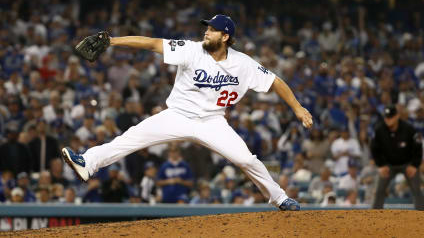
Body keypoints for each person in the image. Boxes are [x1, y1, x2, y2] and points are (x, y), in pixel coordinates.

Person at [62, 15, 313, 211]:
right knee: (131, 137)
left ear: (225, 37)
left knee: (247, 160)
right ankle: (88, 162)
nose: (207, 31)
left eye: (212, 29)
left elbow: (276, 81)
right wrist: (113, 41)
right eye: (207, 27)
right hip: (178, 115)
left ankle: (280, 198)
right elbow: (152, 43)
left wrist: (298, 108)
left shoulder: (243, 63)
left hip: (212, 122)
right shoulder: (192, 49)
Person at [370, 105, 424, 210]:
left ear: (397, 116)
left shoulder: (409, 129)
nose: (388, 120)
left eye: (390, 117)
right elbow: (374, 148)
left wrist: (414, 165)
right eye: (386, 117)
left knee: (416, 189)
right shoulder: (379, 130)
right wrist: (381, 165)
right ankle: (374, 216)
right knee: (379, 189)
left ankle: (421, 216)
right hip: (388, 165)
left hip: (407, 164)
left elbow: (418, 147)